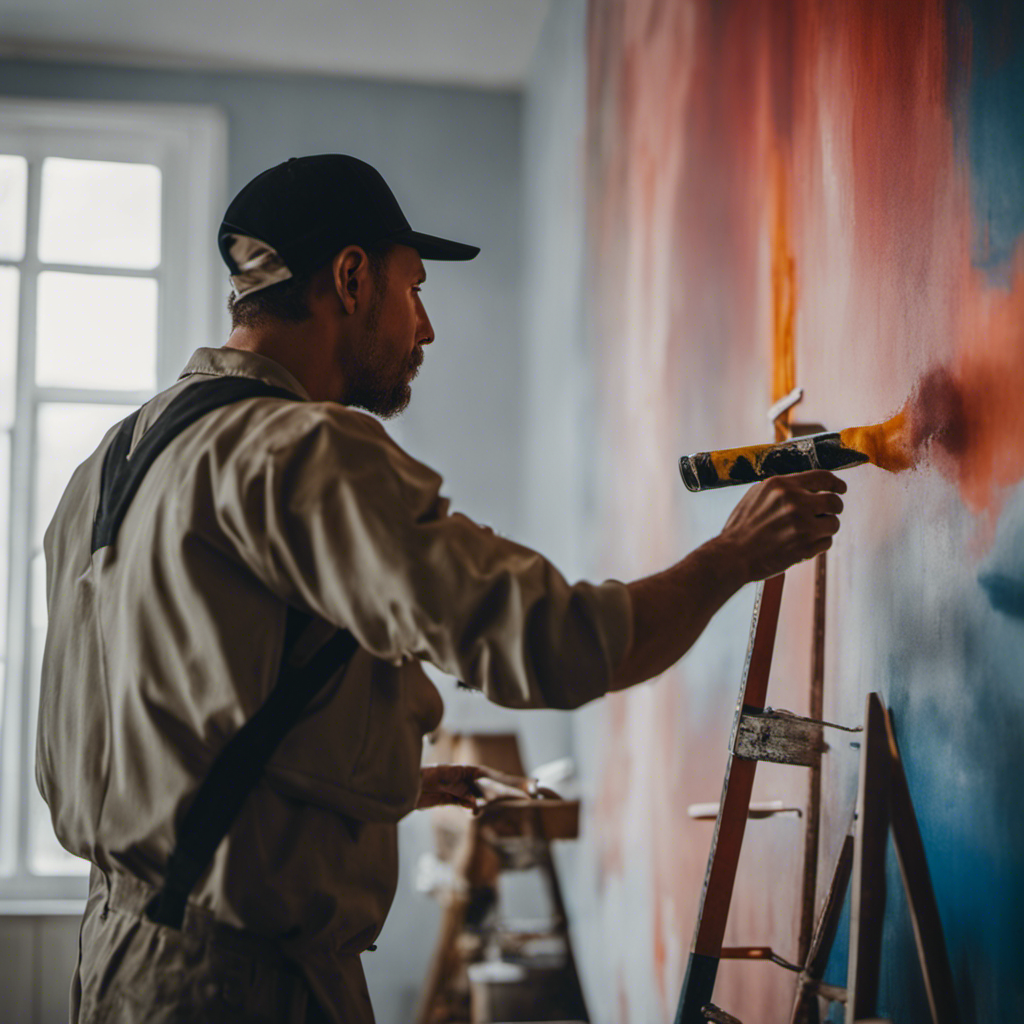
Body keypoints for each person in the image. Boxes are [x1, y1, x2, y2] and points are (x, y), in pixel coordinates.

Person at [36, 154, 846, 1024]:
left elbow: (176, 719)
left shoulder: (110, 465)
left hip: (117, 961)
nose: (424, 329)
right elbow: (555, 645)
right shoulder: (302, 451)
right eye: (413, 289)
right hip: (243, 987)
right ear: (351, 278)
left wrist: (394, 781)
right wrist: (732, 556)